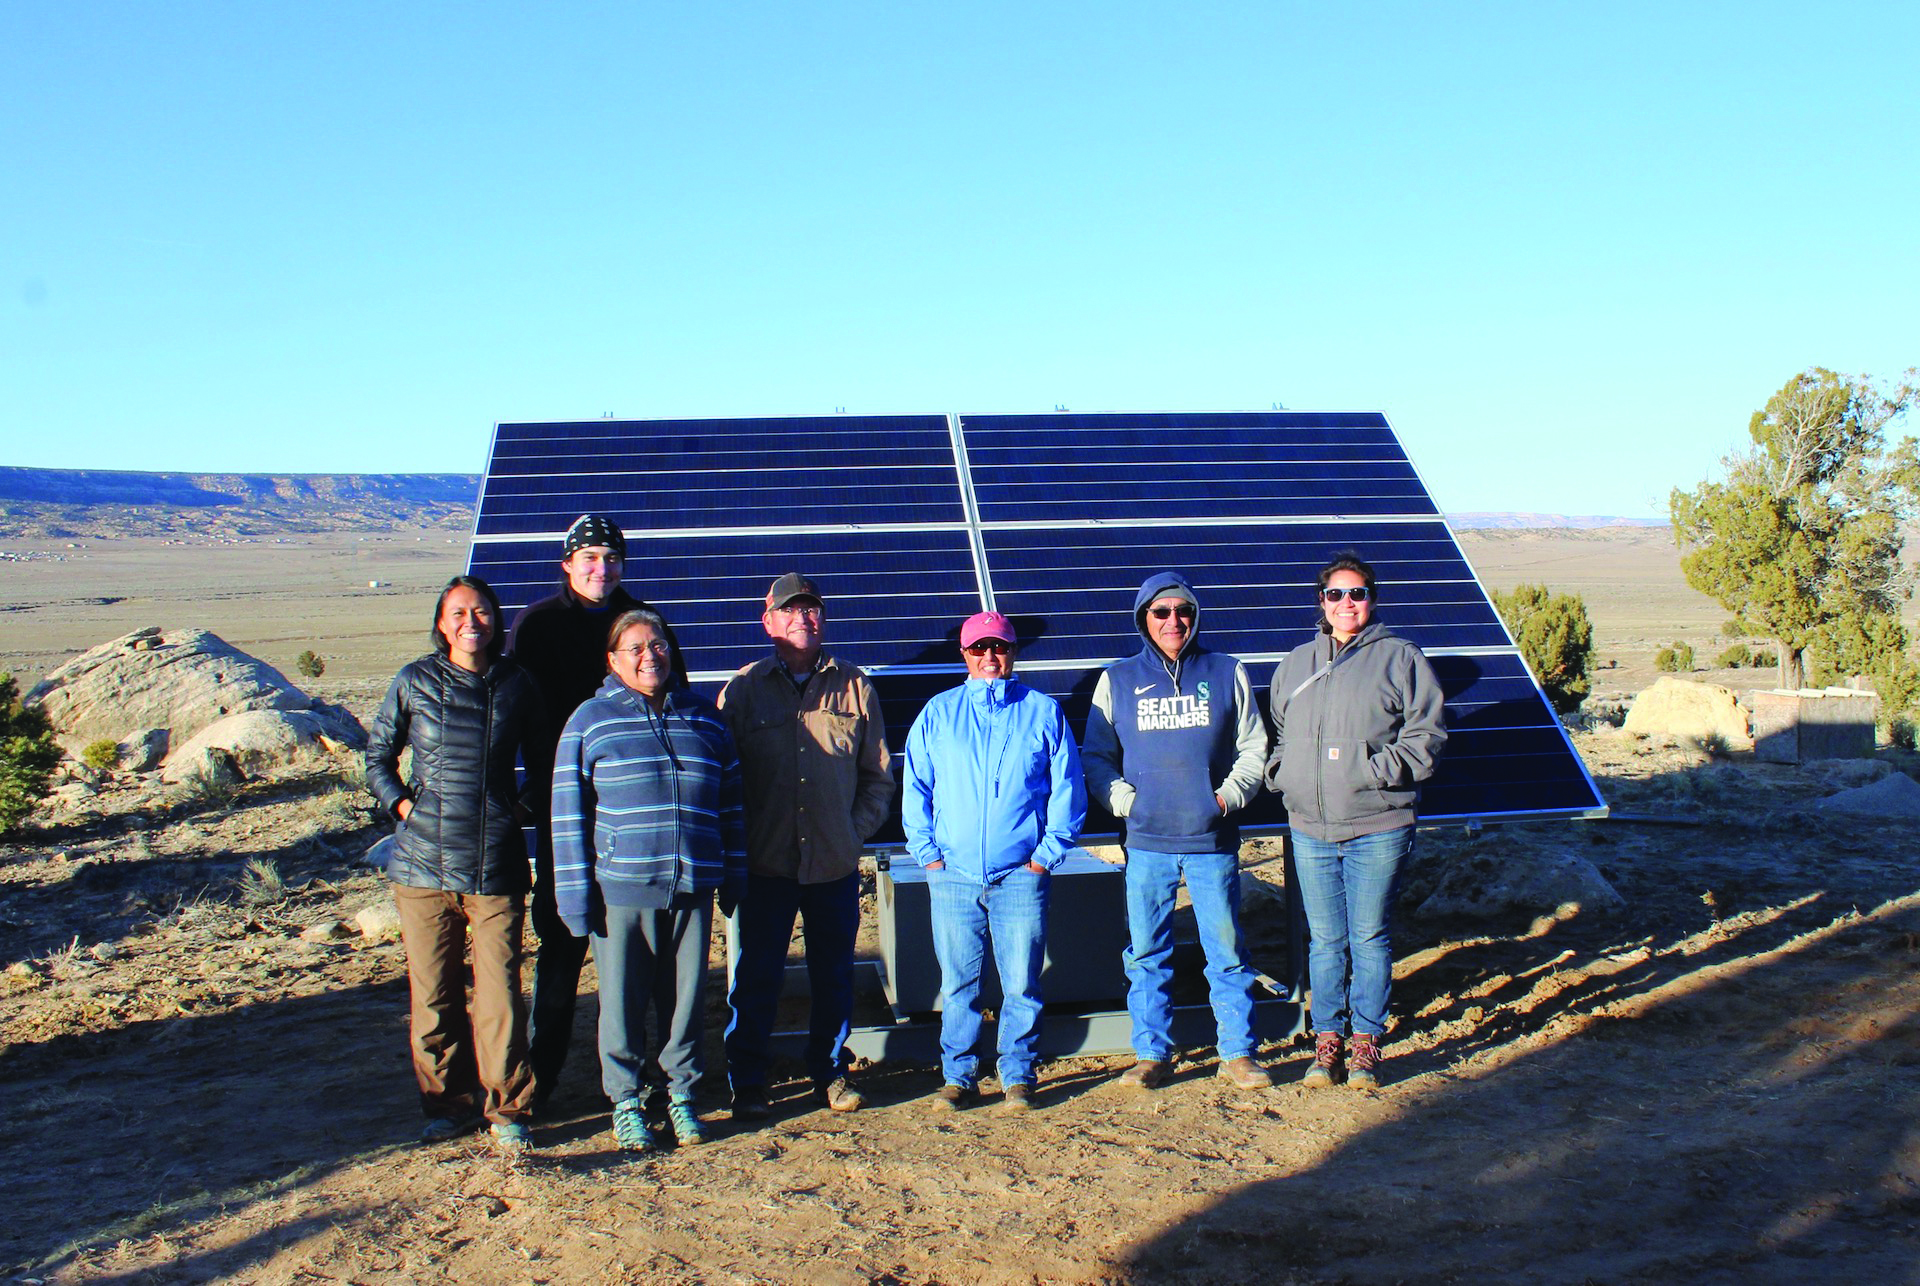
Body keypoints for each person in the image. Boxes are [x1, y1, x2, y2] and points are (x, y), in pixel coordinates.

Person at [549, 607, 746, 1152]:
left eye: (657, 644)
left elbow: (732, 807)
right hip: (622, 890)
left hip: (692, 888)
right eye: (633, 647)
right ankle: (627, 1102)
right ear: (612, 660)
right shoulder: (590, 720)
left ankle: (681, 1098)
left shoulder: (706, 720)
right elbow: (567, 815)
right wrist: (574, 897)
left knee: (685, 1002)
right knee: (621, 1001)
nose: (648, 656)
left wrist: (734, 874)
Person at [365, 575, 547, 1156]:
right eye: (459, 612)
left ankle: (508, 1108)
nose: (472, 621)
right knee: (434, 993)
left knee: (499, 993)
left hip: (495, 864)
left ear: (496, 619)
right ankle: (445, 1106)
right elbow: (378, 754)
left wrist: (512, 810)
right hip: (420, 866)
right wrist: (400, 802)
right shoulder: (414, 681)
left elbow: (546, 764)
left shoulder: (518, 683)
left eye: (482, 611)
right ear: (442, 623)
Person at [507, 513, 685, 1106]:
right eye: (589, 558)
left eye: (611, 558)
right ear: (567, 564)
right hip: (566, 814)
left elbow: (673, 704)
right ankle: (544, 1081)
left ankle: (659, 1084)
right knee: (560, 954)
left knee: (649, 965)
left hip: (634, 819)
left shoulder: (643, 624)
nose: (600, 569)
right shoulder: (537, 626)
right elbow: (520, 712)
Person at [1084, 571, 1273, 1092]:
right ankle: (1151, 1053)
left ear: (1195, 615)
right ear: (1144, 619)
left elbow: (1253, 747)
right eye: (1160, 612)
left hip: (1211, 840)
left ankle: (1237, 1052)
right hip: (1146, 844)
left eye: (1182, 610)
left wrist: (1225, 798)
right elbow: (1097, 757)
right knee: (1146, 953)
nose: (1174, 621)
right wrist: (1126, 803)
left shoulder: (1226, 671)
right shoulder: (1116, 679)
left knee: (1227, 951)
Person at [1265, 552, 1446, 1089]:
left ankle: (1365, 1041)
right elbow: (1278, 730)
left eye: (1358, 593)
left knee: (1368, 937)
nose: (1347, 604)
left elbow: (1427, 736)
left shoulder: (1401, 658)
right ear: (1320, 602)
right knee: (1324, 940)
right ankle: (1326, 1043)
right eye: (1336, 594)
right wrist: (1285, 773)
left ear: (1373, 598)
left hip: (1378, 823)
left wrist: (1375, 771)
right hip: (1309, 826)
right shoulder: (1296, 663)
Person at [719, 573, 894, 1119]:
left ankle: (830, 1071)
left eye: (811, 609)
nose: (802, 618)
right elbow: (725, 780)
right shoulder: (742, 691)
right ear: (768, 621)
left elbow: (878, 776)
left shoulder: (855, 686)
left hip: (833, 865)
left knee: (833, 975)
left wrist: (850, 832)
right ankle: (748, 1080)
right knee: (756, 979)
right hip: (766, 865)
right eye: (790, 610)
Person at [901, 609, 1086, 1115]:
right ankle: (959, 1076)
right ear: (963, 654)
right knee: (958, 984)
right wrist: (929, 856)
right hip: (953, 875)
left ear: (1013, 652)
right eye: (978, 648)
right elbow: (915, 786)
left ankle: (1018, 1074)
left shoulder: (1043, 712)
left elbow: (1067, 791)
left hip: (1020, 875)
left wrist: (1045, 858)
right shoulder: (938, 713)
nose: (989, 657)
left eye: (999, 647)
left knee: (1022, 982)